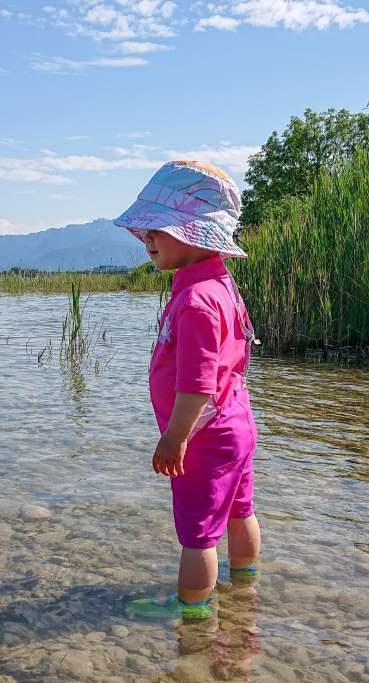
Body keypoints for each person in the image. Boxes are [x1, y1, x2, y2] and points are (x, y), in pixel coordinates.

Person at [119, 160, 262, 621]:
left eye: (157, 230)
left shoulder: (198, 301)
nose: (147, 240)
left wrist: (175, 438)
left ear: (194, 233)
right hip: (235, 425)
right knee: (240, 511)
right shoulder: (218, 285)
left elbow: (197, 383)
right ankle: (245, 590)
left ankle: (193, 615)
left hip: (204, 436)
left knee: (198, 534)